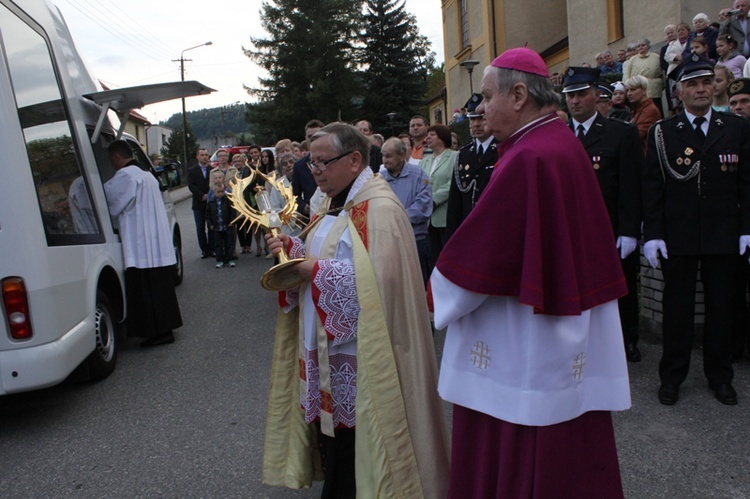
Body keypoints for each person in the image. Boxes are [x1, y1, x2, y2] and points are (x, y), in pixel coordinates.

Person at [432, 48, 630, 497]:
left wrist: (436, 291)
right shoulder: (558, 142)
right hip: (563, 319)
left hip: (525, 333)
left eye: (485, 97)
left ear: (518, 94)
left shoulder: (527, 157)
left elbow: (481, 255)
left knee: (519, 437)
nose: (479, 109)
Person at [262, 122, 450, 497]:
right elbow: (332, 251)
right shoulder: (336, 200)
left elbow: (380, 286)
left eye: (321, 163)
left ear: (354, 159)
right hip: (330, 345)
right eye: (311, 163)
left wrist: (311, 270)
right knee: (337, 446)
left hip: (363, 355)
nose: (314, 171)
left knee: (358, 446)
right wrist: (293, 251)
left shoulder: (379, 208)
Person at [642, 54, 750, 406]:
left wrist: (747, 228)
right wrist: (654, 233)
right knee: (678, 310)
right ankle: (672, 376)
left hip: (724, 234)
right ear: (678, 93)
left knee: (721, 310)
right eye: (692, 84)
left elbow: (747, 184)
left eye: (706, 82)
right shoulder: (663, 132)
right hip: (680, 235)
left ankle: (720, 377)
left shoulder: (735, 127)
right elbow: (653, 186)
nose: (701, 89)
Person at [564, 66, 644, 362]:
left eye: (581, 94)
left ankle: (627, 339)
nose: (575, 101)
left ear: (597, 95)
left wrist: (630, 230)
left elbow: (631, 186)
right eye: (570, 96)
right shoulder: (559, 135)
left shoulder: (620, 134)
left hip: (611, 227)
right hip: (572, 228)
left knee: (621, 286)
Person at [104, 140, 182, 347]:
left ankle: (156, 333)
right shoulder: (147, 175)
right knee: (160, 287)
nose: (112, 165)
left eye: (111, 160)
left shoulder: (126, 176)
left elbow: (108, 201)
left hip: (141, 243)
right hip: (155, 239)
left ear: (117, 157)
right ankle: (165, 329)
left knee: (146, 288)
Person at [379, 137, 433, 284]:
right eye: (383, 155)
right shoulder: (379, 180)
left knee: (418, 283)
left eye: (389, 156)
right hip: (389, 242)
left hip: (415, 239)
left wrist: (397, 218)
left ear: (402, 155)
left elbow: (423, 205)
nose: (385, 160)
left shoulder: (418, 175)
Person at [446, 92, 499, 238]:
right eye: (472, 119)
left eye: (481, 119)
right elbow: (455, 203)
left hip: (495, 230)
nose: (476, 124)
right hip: (468, 231)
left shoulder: (502, 149)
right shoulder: (463, 154)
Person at [419, 124, 458, 272]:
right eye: (427, 135)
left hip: (444, 215)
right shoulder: (425, 161)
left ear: (442, 138)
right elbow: (419, 185)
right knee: (432, 258)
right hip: (427, 220)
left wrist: (433, 199)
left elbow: (453, 183)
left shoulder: (455, 157)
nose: (427, 138)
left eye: (432, 135)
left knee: (447, 257)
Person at [292, 119, 325, 217]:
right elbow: (295, 195)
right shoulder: (299, 166)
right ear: (305, 139)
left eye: (317, 136)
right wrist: (303, 206)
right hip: (309, 218)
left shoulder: (334, 161)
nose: (313, 140)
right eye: (310, 137)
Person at [623, 37, 664, 115]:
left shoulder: (656, 57)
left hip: (654, 90)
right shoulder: (632, 60)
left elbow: (662, 74)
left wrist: (661, 85)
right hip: (638, 90)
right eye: (638, 46)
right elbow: (627, 75)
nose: (640, 47)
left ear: (648, 46)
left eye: (643, 45)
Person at [625, 75, 662, 152]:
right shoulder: (636, 109)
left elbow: (635, 136)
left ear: (644, 90)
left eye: (633, 89)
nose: (629, 94)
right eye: (627, 90)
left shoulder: (650, 110)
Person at [187, 148, 213, 258]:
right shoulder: (192, 171)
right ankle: (204, 250)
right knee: (200, 228)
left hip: (210, 203)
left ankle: (212, 249)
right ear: (197, 156)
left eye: (206, 155)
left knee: (211, 226)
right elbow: (191, 186)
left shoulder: (212, 170)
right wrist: (201, 195)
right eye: (202, 155)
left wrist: (210, 195)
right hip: (198, 203)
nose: (204, 157)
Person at [206, 181, 236, 269]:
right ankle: (219, 260)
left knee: (229, 243)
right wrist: (210, 224)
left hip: (227, 225)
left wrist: (232, 221)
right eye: (218, 192)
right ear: (214, 192)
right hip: (216, 227)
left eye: (222, 191)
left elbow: (232, 211)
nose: (220, 194)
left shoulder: (227, 200)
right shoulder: (211, 202)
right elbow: (207, 214)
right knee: (218, 244)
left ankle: (230, 259)